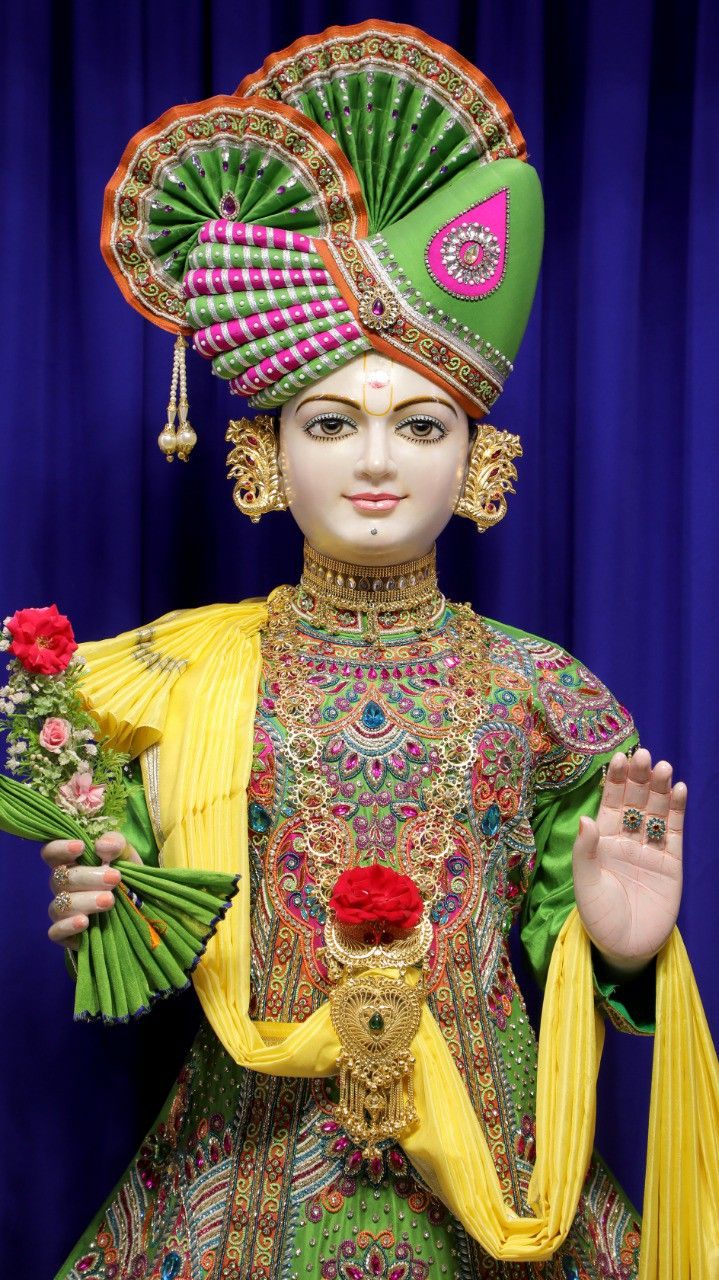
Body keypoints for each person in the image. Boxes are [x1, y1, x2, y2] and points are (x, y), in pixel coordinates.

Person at [37, 20, 712, 1280]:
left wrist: (617, 946)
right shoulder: (170, 683)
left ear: (480, 464)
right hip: (241, 1173)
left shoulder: (544, 694)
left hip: (499, 1177)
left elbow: (586, 926)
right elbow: (125, 919)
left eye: (419, 422)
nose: (375, 460)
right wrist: (103, 912)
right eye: (331, 420)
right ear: (259, 455)